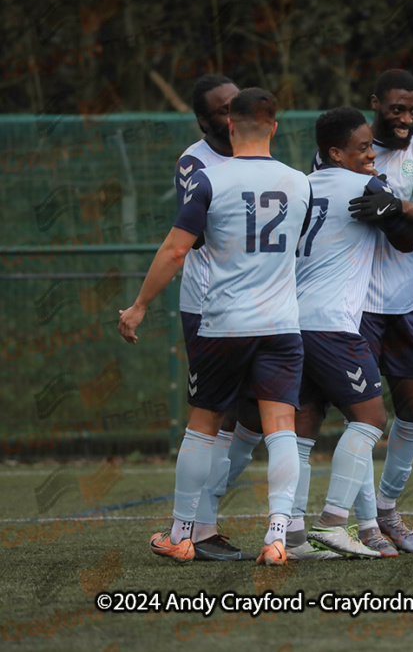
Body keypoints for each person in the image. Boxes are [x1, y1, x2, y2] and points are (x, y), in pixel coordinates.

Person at [119, 88, 311, 566]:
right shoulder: (300, 183)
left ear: (230, 126)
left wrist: (140, 305)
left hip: (224, 324)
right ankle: (278, 536)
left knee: (203, 427)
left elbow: (175, 250)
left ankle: (182, 535)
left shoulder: (210, 180)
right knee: (281, 428)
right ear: (275, 126)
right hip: (283, 325)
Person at [310, 69, 413, 554]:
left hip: (404, 302)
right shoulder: (342, 149)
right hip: (354, 303)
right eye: (396, 110)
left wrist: (392, 205)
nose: (406, 119)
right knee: (361, 417)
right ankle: (365, 526)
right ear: (375, 104)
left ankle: (387, 509)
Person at [288, 107, 413, 560]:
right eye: (363, 148)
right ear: (335, 152)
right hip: (333, 325)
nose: (371, 155)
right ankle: (332, 522)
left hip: (292, 322)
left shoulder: (301, 185)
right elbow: (406, 240)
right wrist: (395, 206)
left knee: (303, 431)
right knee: (370, 419)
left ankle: (293, 538)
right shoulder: (364, 185)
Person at [172, 73, 261, 562]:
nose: (234, 116)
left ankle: (204, 520)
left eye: (238, 106)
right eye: (223, 110)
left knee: (259, 416)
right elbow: (198, 235)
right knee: (215, 415)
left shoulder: (260, 152)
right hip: (211, 304)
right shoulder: (195, 163)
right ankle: (196, 529)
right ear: (204, 120)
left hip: (262, 305)